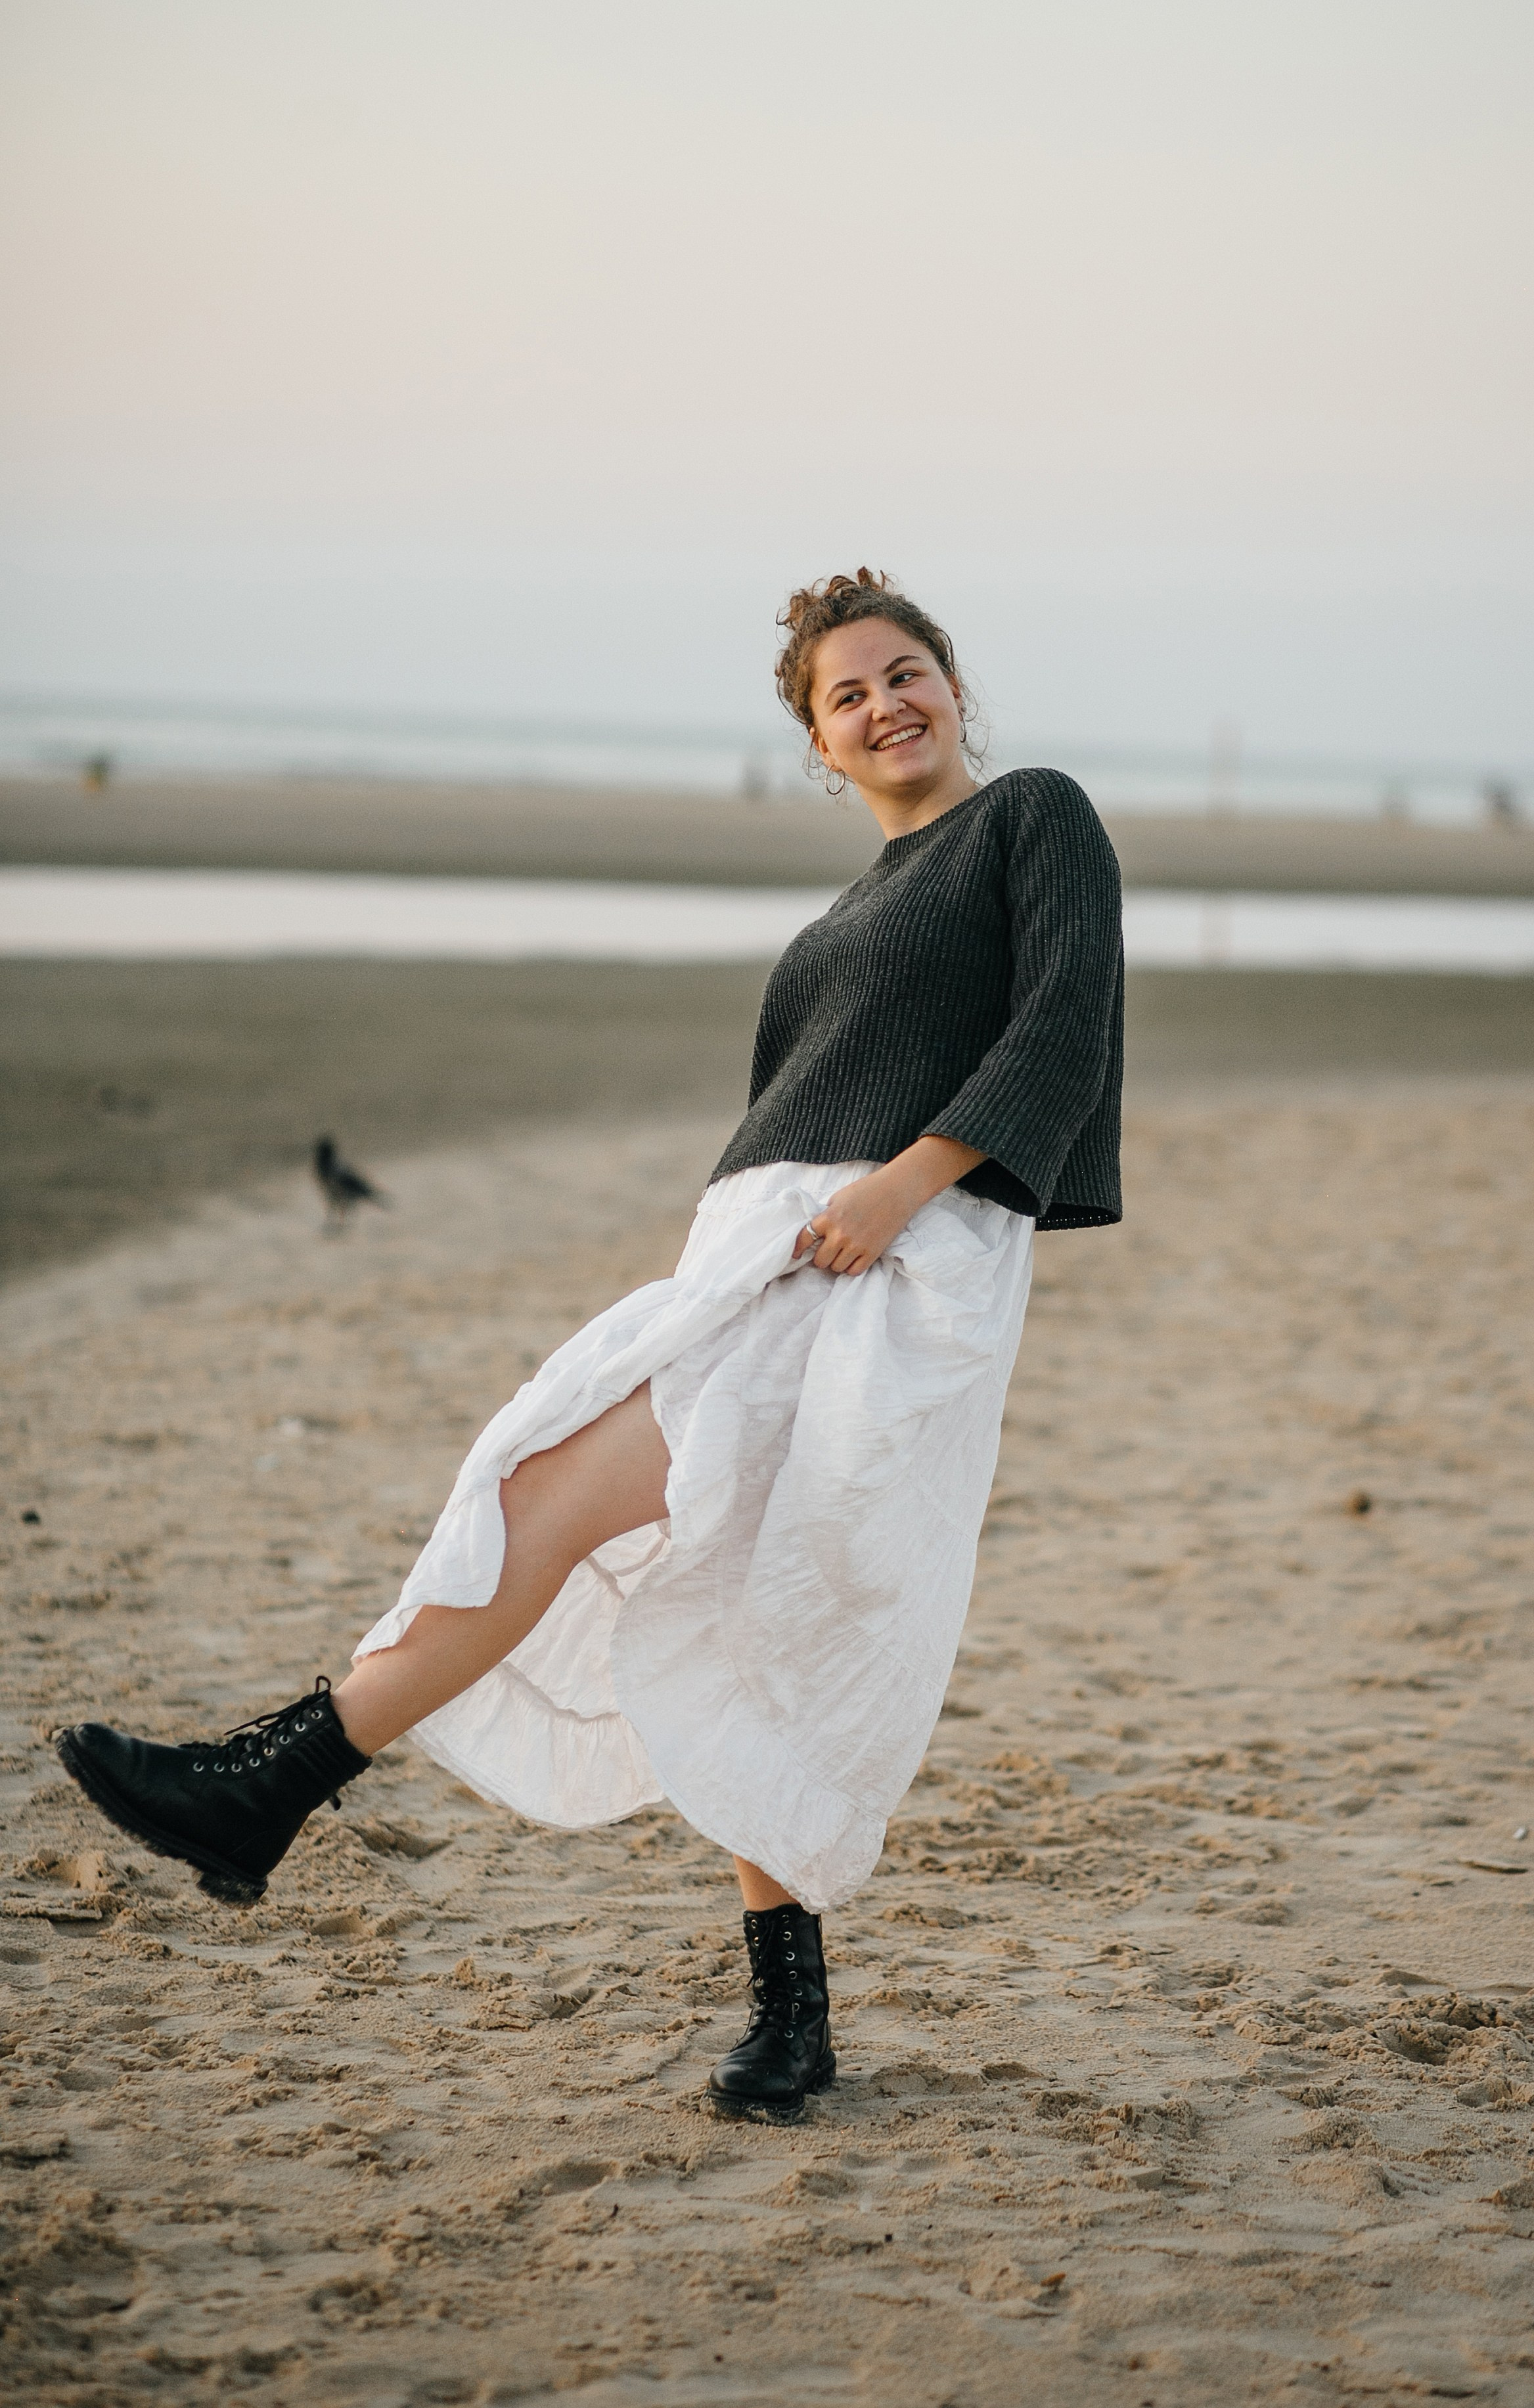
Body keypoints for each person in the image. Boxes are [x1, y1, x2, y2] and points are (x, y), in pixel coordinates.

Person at [56, 569, 1125, 2126]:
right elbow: (795, 1109)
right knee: (667, 1558)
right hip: (771, 1260)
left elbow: (1061, 1023)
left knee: (572, 1504)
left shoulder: (1036, 816)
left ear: (956, 690)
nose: (884, 704)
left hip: (894, 1260)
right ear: (819, 748)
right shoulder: (841, 914)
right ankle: (783, 2019)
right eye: (846, 695)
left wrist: (901, 1190)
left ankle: (268, 1787)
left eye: (906, 674)